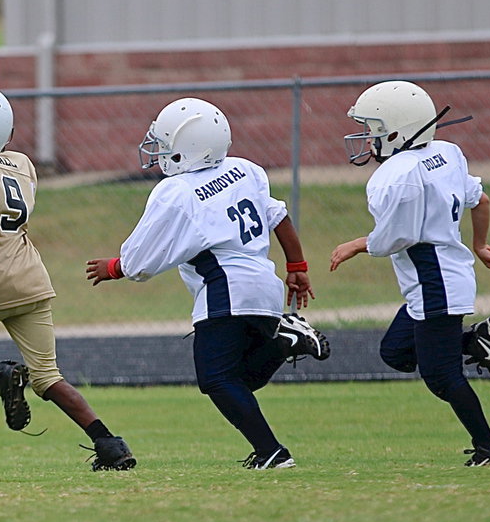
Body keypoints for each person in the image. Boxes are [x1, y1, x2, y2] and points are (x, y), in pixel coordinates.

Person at [86, 97, 330, 470]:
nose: (159, 150)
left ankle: (273, 452)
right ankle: (283, 344)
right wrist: (297, 265)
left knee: (216, 379)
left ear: (187, 147)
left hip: (225, 290)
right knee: (238, 378)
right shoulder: (246, 170)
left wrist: (116, 267)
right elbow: (279, 216)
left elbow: (144, 257)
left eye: (166, 142)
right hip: (264, 287)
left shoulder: (178, 191)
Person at [0, 82, 135, 471]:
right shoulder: (20, 163)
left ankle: (0, 372)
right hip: (30, 274)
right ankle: (110, 444)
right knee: (47, 377)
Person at [329, 80, 490, 467]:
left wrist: (356, 244)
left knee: (442, 377)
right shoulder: (446, 153)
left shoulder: (395, 175)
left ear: (395, 130)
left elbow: (395, 238)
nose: (367, 137)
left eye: (373, 128)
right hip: (440, 278)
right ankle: (474, 342)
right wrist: (480, 245)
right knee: (395, 352)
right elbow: (481, 199)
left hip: (436, 281)